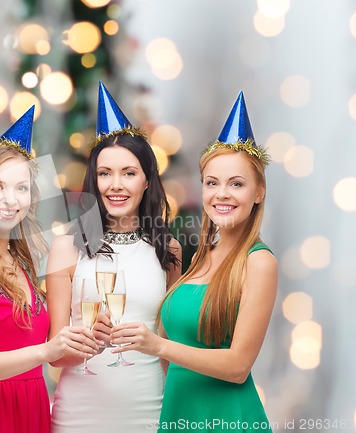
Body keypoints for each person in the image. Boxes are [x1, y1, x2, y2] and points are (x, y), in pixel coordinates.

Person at [111, 92, 278, 432]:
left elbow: (237, 365)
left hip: (226, 419)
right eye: (212, 183)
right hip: (179, 415)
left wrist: (159, 345)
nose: (222, 194)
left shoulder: (258, 262)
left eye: (237, 184)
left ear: (258, 192)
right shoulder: (200, 258)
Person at [0, 106, 98, 433]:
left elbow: (56, 341)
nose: (10, 199)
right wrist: (44, 351)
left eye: (21, 188)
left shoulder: (22, 263)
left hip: (31, 414)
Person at [46, 82, 182, 433]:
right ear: (94, 179)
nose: (115, 185)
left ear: (147, 181)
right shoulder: (67, 248)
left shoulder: (168, 250)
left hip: (149, 410)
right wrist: (89, 342)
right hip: (79, 415)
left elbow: (170, 346)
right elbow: (55, 355)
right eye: (105, 173)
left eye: (129, 173)